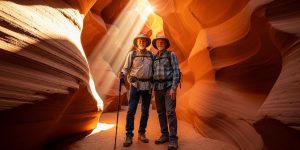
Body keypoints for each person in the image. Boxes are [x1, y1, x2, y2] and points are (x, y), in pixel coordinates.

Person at [119, 33, 154, 147]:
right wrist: (122, 74)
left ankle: (141, 133)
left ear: (147, 43)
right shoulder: (132, 54)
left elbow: (155, 69)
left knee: (145, 111)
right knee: (131, 110)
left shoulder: (151, 55)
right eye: (140, 41)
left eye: (144, 41)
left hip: (147, 86)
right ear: (137, 43)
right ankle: (129, 134)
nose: (142, 43)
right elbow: (126, 68)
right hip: (135, 85)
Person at [152, 35, 180, 150]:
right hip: (157, 87)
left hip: (168, 86)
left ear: (166, 44)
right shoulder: (154, 57)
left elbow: (176, 71)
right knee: (160, 112)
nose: (160, 44)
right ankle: (164, 135)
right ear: (156, 44)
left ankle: (173, 139)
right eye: (158, 42)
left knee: (170, 112)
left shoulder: (171, 55)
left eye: (162, 42)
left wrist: (174, 88)